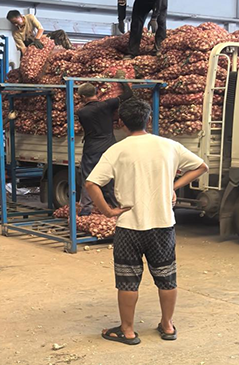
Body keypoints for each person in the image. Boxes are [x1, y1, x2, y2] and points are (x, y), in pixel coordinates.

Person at [86, 97, 208, 345]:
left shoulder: (117, 150)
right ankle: (167, 325)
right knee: (167, 277)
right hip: (163, 225)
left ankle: (128, 330)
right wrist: (172, 186)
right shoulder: (169, 146)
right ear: (149, 119)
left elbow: (91, 184)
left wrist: (108, 211)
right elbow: (201, 166)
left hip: (129, 226)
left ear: (121, 123)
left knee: (127, 280)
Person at [76, 82, 133, 216]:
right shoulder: (107, 105)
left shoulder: (82, 112)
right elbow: (129, 95)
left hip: (92, 148)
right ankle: (117, 207)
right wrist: (122, 81)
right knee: (112, 178)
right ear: (96, 92)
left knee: (89, 178)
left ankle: (86, 209)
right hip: (109, 146)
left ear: (83, 97)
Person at [6, 10, 73, 54]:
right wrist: (28, 56)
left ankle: (70, 51)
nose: (15, 25)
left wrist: (37, 39)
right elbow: (23, 49)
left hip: (39, 38)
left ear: (21, 16)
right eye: (13, 23)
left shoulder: (30, 17)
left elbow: (40, 29)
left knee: (60, 33)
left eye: (16, 22)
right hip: (30, 46)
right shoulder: (16, 34)